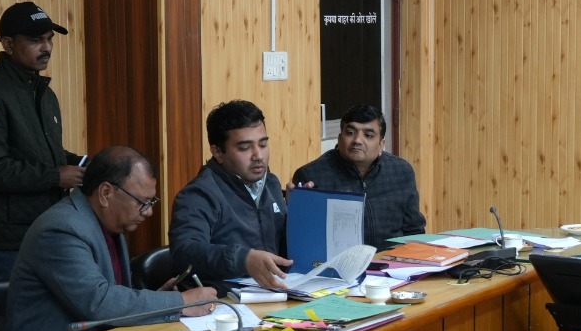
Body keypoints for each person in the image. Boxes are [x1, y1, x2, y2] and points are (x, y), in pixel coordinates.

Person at [3, 147, 220, 331]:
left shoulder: (108, 224)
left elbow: (111, 296)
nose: (149, 212)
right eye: (142, 202)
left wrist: (159, 300)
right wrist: (180, 302)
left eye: (151, 201)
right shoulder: (61, 229)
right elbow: (99, 302)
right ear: (106, 193)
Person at [0, 1, 86, 282]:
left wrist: (85, 164)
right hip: (8, 241)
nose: (46, 48)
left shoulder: (44, 94)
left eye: (50, 39)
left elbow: (43, 154)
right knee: (13, 311)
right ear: (8, 44)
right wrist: (56, 176)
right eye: (36, 40)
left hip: (47, 228)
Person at [170, 100, 292, 290]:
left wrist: (298, 215)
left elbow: (283, 251)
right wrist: (243, 259)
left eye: (263, 144)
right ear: (218, 152)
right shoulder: (198, 195)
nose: (258, 155)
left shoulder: (271, 183)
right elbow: (184, 252)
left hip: (276, 291)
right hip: (225, 300)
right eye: (245, 148)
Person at [291, 104, 427, 250]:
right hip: (337, 261)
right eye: (350, 133)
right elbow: (302, 238)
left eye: (368, 135)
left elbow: (414, 230)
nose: (357, 140)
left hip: (391, 260)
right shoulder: (312, 176)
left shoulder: (401, 172)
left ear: (381, 145)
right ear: (339, 138)